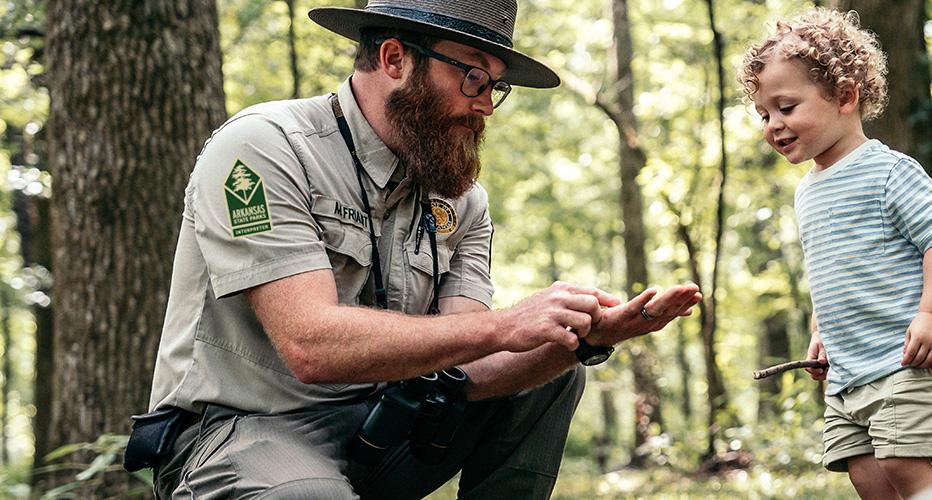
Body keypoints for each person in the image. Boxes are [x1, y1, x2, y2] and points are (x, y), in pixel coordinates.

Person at [133, 1, 701, 498]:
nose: (486, 106)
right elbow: (309, 345)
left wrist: (589, 338)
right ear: (394, 60)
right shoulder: (264, 148)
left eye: (495, 87)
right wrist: (507, 323)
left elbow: (467, 369)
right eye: (473, 78)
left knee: (557, 365)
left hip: (383, 425)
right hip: (244, 429)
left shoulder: (461, 200)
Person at [738, 8, 932, 499]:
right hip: (850, 367)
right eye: (764, 114)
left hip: (906, 357)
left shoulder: (890, 171)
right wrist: (820, 333)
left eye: (786, 107)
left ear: (845, 96)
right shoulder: (807, 191)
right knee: (865, 473)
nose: (774, 125)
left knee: (905, 465)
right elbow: (829, 271)